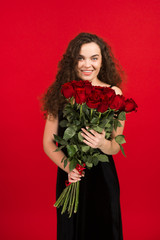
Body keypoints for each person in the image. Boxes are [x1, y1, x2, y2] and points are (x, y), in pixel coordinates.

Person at [42, 32, 125, 240]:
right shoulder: (60, 93)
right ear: (73, 61)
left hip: (102, 179)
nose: (87, 64)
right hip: (70, 176)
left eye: (94, 58)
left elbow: (116, 145)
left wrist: (103, 144)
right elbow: (48, 142)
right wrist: (69, 166)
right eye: (81, 57)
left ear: (102, 60)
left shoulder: (114, 93)